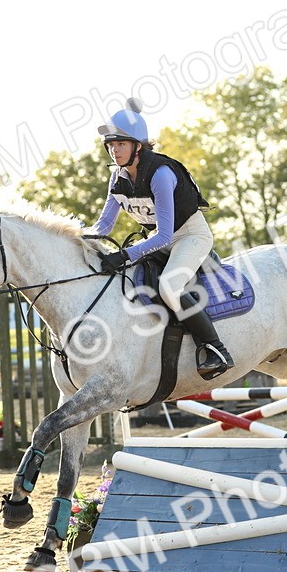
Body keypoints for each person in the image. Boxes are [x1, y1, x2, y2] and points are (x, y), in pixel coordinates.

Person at [87, 98, 234, 380]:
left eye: (120, 143)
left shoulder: (161, 174)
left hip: (191, 236)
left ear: (137, 146)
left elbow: (166, 234)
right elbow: (104, 225)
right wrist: (77, 239)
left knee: (168, 287)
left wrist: (127, 253)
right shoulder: (117, 177)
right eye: (110, 144)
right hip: (160, 239)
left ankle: (215, 349)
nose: (114, 150)